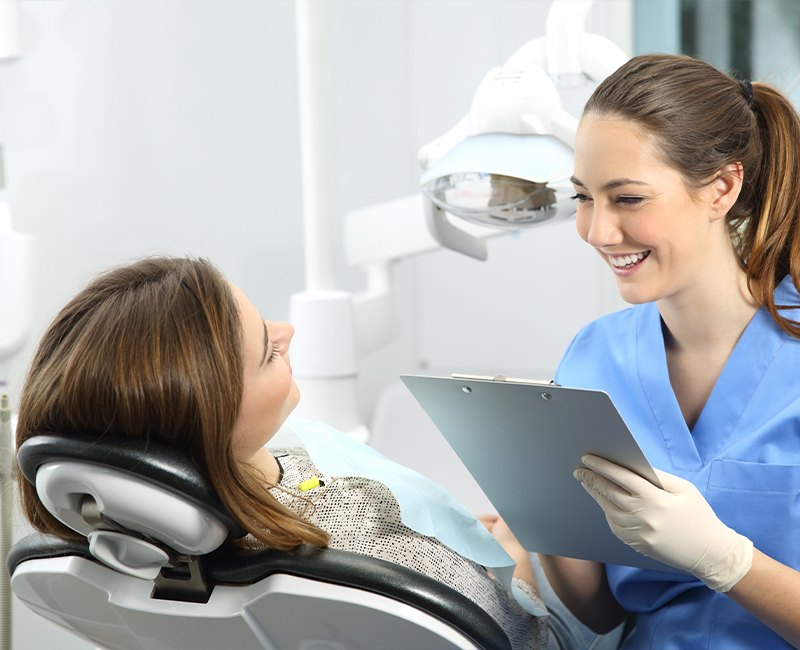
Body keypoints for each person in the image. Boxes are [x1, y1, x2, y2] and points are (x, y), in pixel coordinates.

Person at [15, 256, 548, 650]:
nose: (288, 331)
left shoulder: (131, 554)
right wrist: (518, 553)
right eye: (268, 351)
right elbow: (515, 630)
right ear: (216, 420)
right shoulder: (367, 545)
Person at [539, 53, 800, 648]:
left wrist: (726, 561)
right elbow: (602, 613)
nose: (600, 232)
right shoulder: (593, 356)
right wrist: (548, 519)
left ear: (721, 188)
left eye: (628, 199)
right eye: (584, 197)